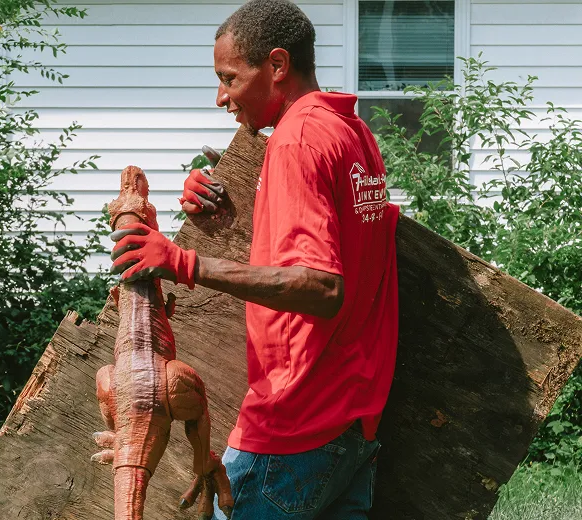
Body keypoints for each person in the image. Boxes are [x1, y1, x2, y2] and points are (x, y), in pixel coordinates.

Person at [110, 0, 400, 518]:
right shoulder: (352, 133)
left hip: (295, 425)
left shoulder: (296, 142)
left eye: (230, 78)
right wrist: (235, 209)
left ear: (277, 65)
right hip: (354, 423)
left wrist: (182, 262)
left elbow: (323, 286)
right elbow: (347, 250)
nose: (221, 97)